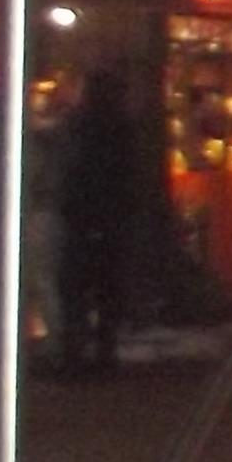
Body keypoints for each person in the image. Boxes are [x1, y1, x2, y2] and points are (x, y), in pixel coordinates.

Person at [54, 63, 144, 376]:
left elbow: (73, 169)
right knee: (107, 289)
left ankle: (75, 353)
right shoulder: (123, 129)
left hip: (85, 215)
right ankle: (104, 351)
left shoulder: (81, 127)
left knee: (75, 288)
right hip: (111, 217)